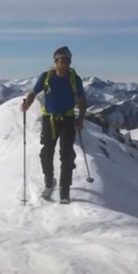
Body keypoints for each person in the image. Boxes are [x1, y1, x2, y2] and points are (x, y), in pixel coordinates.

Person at [20, 46, 87, 203]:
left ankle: (64, 190)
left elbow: (82, 100)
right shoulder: (47, 77)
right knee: (47, 152)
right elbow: (33, 93)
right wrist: (27, 105)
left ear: (69, 62)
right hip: (49, 119)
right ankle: (49, 183)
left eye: (66, 61)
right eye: (60, 61)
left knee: (66, 154)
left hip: (68, 119)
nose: (63, 64)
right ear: (55, 62)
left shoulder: (74, 79)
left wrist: (80, 119)